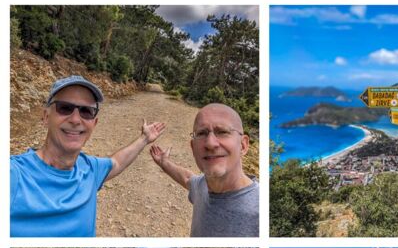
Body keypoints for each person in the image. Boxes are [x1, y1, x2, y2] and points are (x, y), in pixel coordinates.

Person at [10, 75, 166, 236]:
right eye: (65, 108)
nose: (76, 119)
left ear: (94, 123)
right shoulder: (15, 174)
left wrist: (144, 138)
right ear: (46, 117)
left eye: (86, 111)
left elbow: (117, 162)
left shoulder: (90, 169)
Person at [149, 103, 258, 237]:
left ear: (243, 145)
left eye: (223, 132)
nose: (210, 143)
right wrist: (164, 162)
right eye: (201, 133)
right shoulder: (202, 185)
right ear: (193, 147)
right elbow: (188, 179)